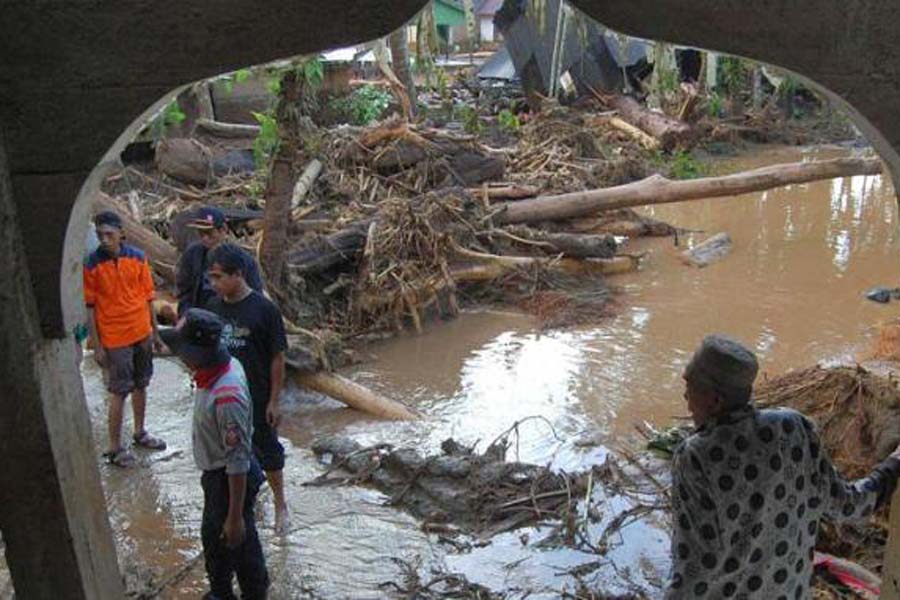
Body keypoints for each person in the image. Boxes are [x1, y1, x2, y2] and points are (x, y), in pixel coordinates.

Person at [666, 334, 900, 599]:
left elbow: (695, 570)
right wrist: (893, 464)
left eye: (690, 384)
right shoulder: (793, 427)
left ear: (715, 400)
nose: (685, 394)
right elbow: (850, 506)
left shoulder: (696, 456)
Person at [160, 309, 268, 600]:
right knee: (229, 541)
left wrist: (233, 516)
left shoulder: (227, 395)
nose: (180, 356)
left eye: (182, 350)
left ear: (198, 353)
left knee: (229, 539)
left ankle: (232, 593)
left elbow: (237, 462)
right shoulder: (222, 366)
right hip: (222, 474)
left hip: (228, 478)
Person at [205, 243, 291, 535]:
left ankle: (281, 504)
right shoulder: (213, 308)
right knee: (233, 454)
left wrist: (274, 401)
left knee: (269, 451)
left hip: (257, 396)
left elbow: (278, 358)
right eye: (211, 277)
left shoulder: (264, 310)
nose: (214, 284)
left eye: (218, 277)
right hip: (226, 399)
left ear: (238, 274)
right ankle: (246, 503)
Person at [83, 211, 167, 467]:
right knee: (119, 391)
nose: (105, 240)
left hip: (140, 332)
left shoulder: (138, 258)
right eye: (100, 236)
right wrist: (97, 345)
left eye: (109, 234)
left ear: (122, 233)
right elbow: (90, 307)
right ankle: (114, 446)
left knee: (141, 384)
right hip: (114, 336)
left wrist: (155, 334)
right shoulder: (92, 264)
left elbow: (148, 297)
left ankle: (140, 432)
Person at [176, 206, 264, 315]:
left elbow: (255, 296)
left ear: (223, 230)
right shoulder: (193, 255)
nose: (205, 238)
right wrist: (186, 314)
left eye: (209, 234)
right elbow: (184, 292)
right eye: (201, 234)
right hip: (199, 315)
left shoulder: (243, 259)